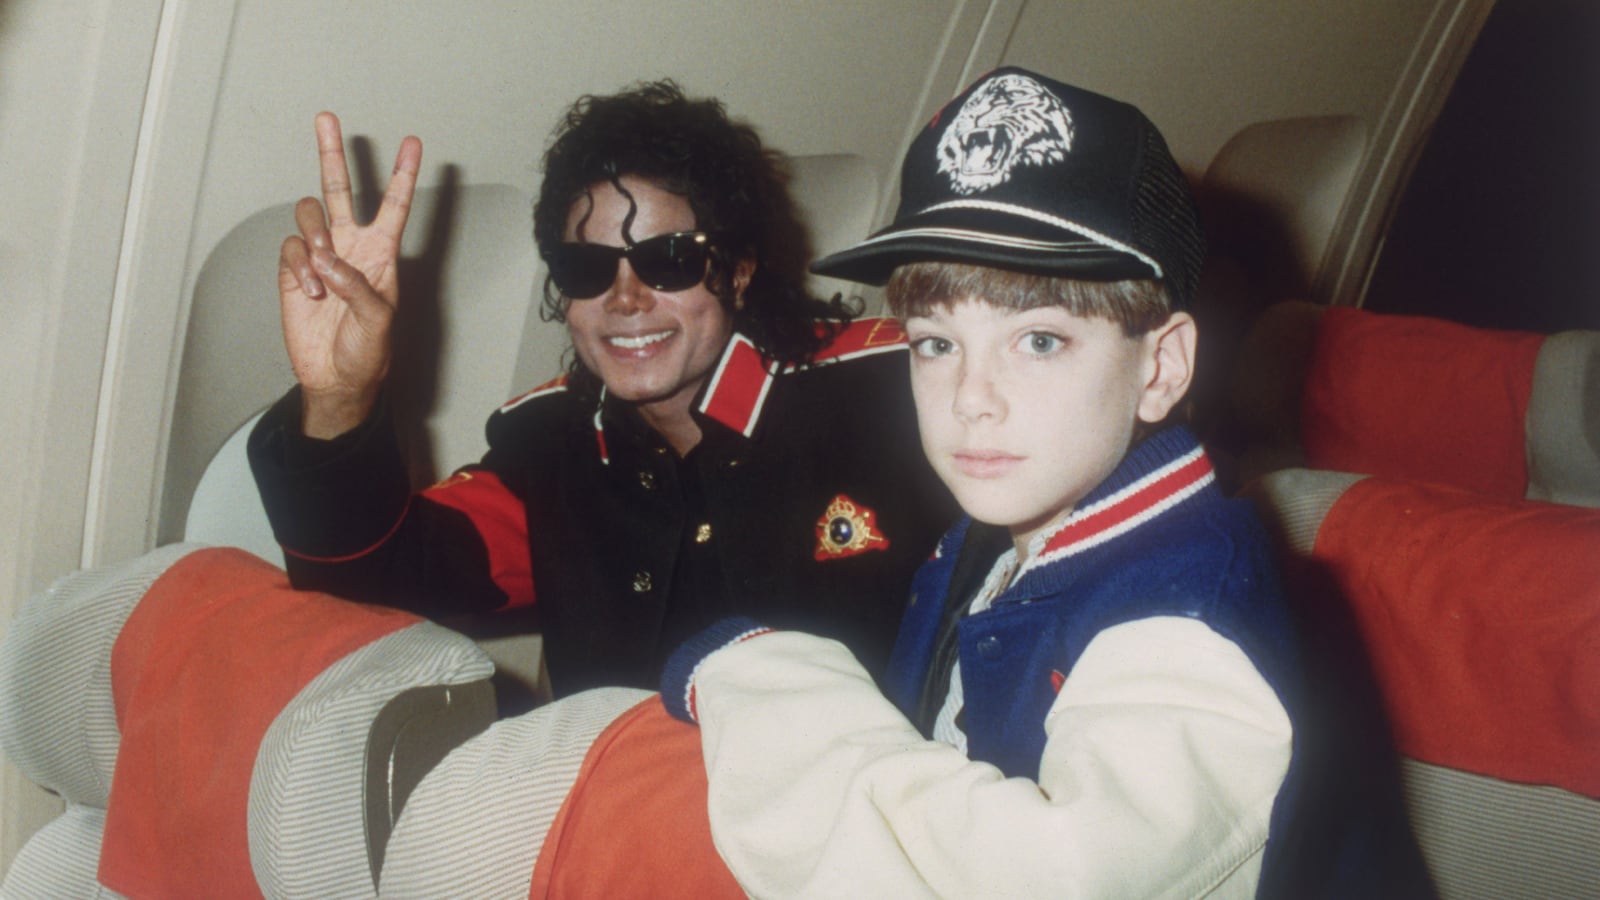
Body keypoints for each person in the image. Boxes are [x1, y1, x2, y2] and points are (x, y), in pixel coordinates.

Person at [401, 68, 1428, 898]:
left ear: (1160, 365)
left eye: (1037, 340)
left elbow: (1020, 879)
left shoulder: (1181, 622)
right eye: (936, 344)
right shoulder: (996, 541)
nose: (971, 399)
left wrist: (757, 667)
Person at [247, 81, 954, 696]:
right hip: (618, 826)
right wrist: (339, 396)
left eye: (668, 260)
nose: (625, 297)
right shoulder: (553, 449)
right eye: (589, 268)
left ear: (738, 270)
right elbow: (372, 582)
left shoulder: (895, 396)